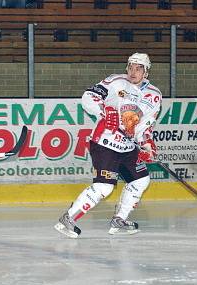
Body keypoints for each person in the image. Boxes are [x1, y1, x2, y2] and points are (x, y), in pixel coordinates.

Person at [54, 53, 162, 238]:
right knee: (105, 187)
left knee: (141, 180)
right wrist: (104, 110)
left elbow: (144, 127)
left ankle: (119, 220)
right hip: (104, 142)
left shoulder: (154, 95)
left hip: (127, 147)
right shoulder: (115, 81)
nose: (133, 72)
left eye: (138, 68)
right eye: (130, 67)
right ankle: (68, 219)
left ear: (146, 72)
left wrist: (147, 145)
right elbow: (88, 97)